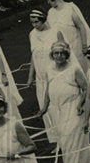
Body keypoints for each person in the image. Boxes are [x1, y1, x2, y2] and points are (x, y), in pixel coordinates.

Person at [36, 40, 90, 163]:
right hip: (57, 112)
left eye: (61, 53)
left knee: (69, 144)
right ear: (52, 55)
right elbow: (47, 90)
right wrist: (44, 107)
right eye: (56, 53)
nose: (59, 56)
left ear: (66, 55)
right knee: (73, 143)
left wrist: (80, 104)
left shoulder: (74, 69)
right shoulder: (49, 69)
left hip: (73, 110)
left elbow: (86, 89)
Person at [24, 8, 66, 145]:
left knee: (57, 106)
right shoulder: (32, 34)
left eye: (36, 22)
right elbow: (34, 56)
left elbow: (65, 54)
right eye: (31, 22)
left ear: (43, 20)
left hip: (55, 76)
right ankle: (56, 141)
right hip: (41, 78)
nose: (34, 25)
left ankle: (65, 138)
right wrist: (31, 76)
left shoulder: (55, 32)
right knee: (45, 109)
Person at [44, 0, 90, 68]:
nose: (48, 2)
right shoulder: (50, 12)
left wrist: (84, 46)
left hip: (76, 47)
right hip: (63, 50)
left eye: (48, 0)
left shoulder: (69, 9)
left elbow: (81, 26)